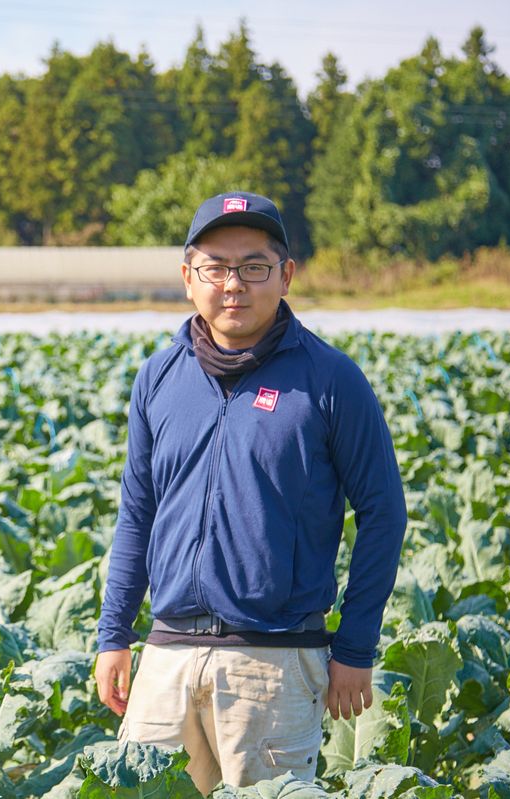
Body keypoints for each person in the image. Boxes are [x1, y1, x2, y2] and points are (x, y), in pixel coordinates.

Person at [94, 191, 407, 794]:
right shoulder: (158, 377)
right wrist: (115, 635)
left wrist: (356, 646)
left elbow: (384, 515)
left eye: (254, 267)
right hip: (167, 655)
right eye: (216, 267)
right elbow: (138, 513)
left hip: (276, 661)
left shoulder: (330, 379)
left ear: (285, 276)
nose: (234, 284)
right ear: (188, 278)